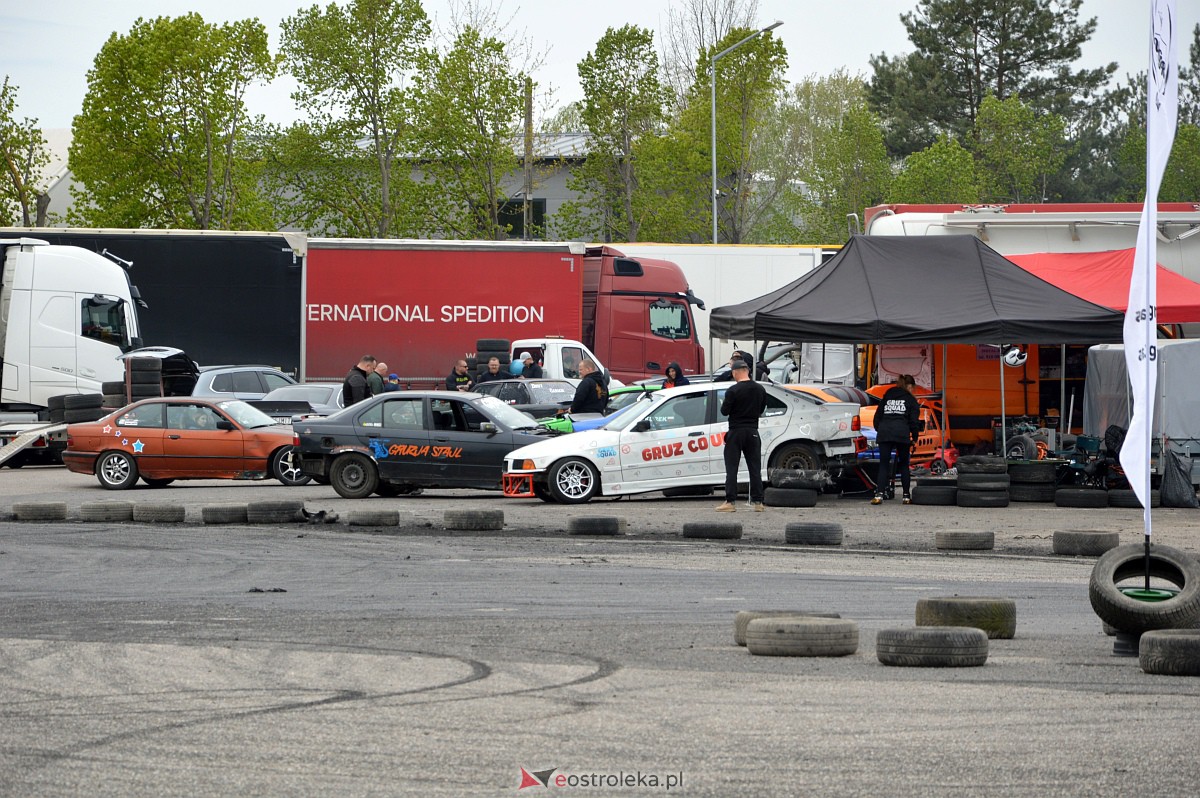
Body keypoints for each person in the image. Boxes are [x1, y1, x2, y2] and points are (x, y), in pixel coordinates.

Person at [716, 359, 767, 512]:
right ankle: (758, 502)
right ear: (748, 371)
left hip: (736, 431)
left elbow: (724, 411)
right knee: (755, 468)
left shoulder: (733, 390)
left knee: (732, 468)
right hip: (752, 431)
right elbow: (762, 409)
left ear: (736, 372)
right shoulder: (760, 389)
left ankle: (730, 502)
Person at [872, 374, 921, 506]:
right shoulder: (910, 400)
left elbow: (878, 415)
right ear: (909, 386)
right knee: (904, 464)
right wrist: (915, 437)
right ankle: (906, 496)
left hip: (885, 432)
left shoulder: (888, 394)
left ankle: (879, 495)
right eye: (913, 388)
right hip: (901, 433)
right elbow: (913, 421)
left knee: (883, 464)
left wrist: (880, 430)